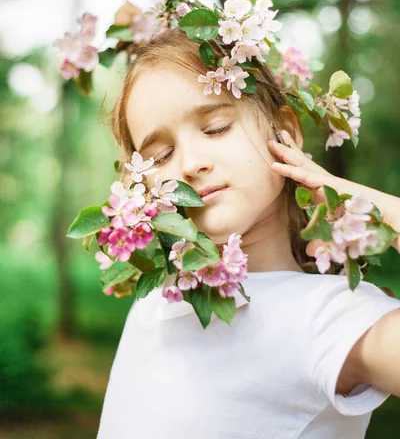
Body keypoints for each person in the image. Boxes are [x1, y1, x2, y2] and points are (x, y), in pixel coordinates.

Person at [97, 26, 400, 438]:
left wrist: (366, 204)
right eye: (160, 156)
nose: (190, 163)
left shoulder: (332, 318)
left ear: (286, 133)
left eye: (217, 127)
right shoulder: (152, 303)